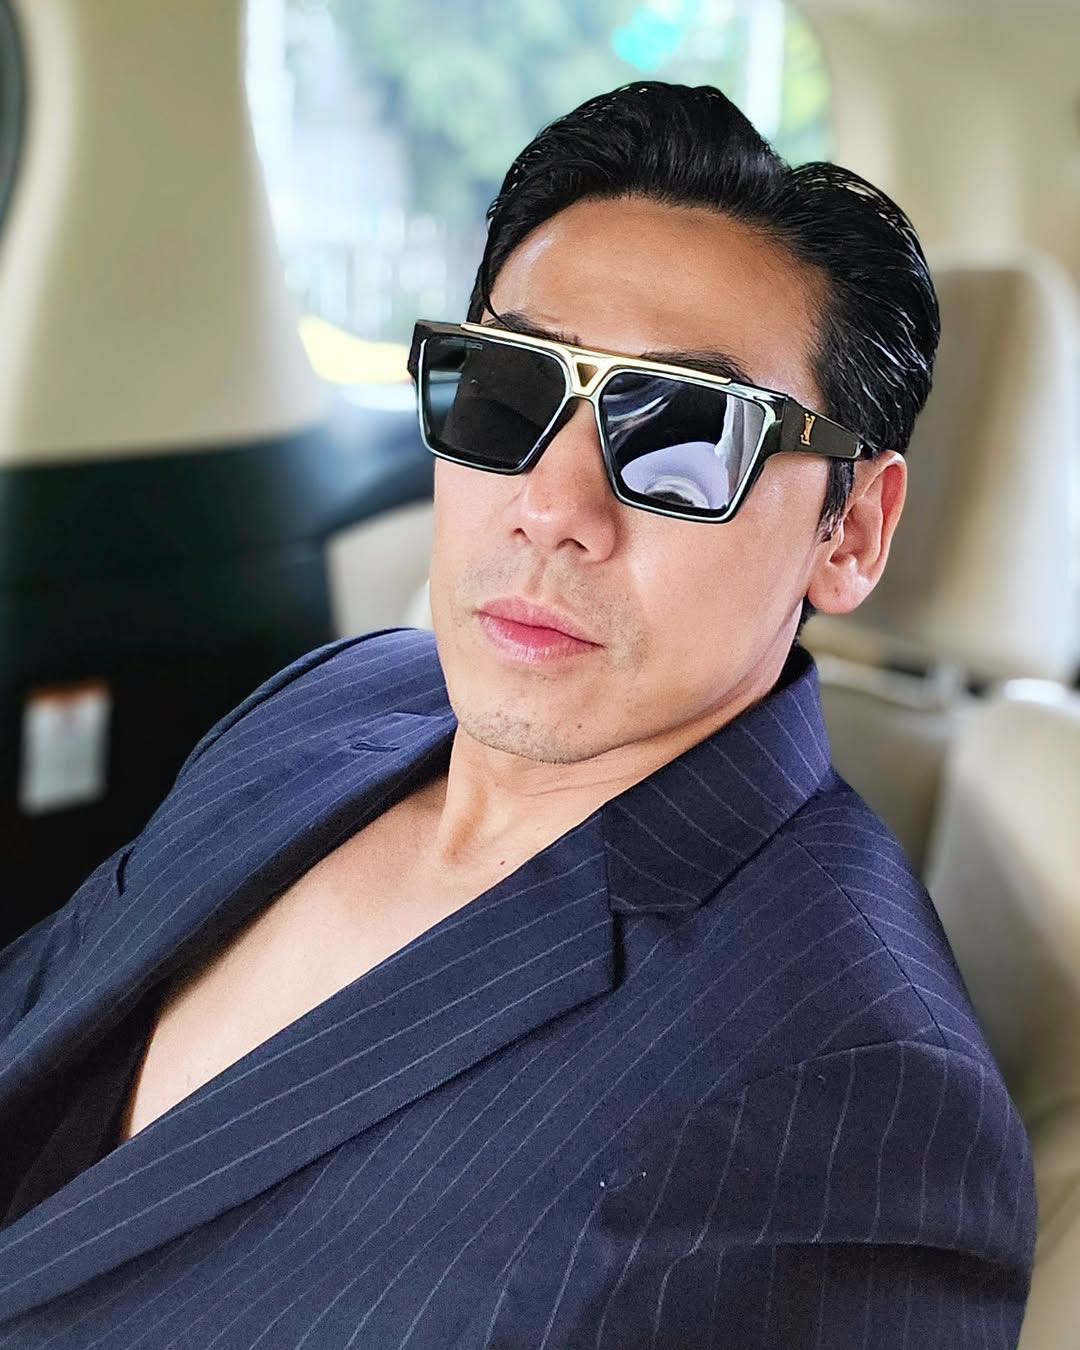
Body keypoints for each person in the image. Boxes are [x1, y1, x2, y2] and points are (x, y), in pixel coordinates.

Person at [0, 82, 1034, 1348]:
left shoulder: (859, 1108)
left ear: (851, 531)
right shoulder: (333, 698)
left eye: (686, 434)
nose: (552, 507)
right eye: (507, 386)